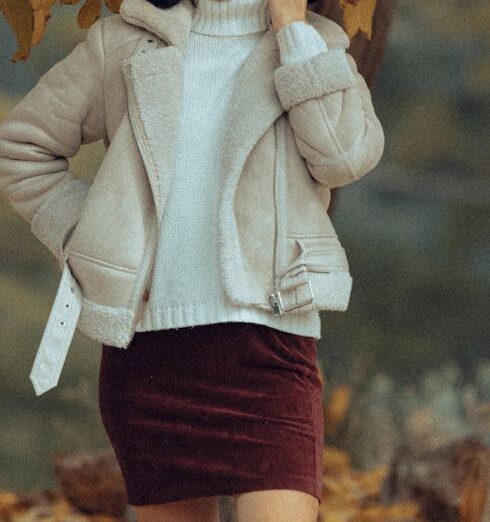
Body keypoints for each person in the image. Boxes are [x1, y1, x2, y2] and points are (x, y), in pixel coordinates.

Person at [0, 0, 385, 519]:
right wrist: (95, 238)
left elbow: (345, 156)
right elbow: (21, 150)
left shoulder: (317, 44)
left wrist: (292, 31)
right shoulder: (122, 42)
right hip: (151, 361)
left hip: (270, 353)